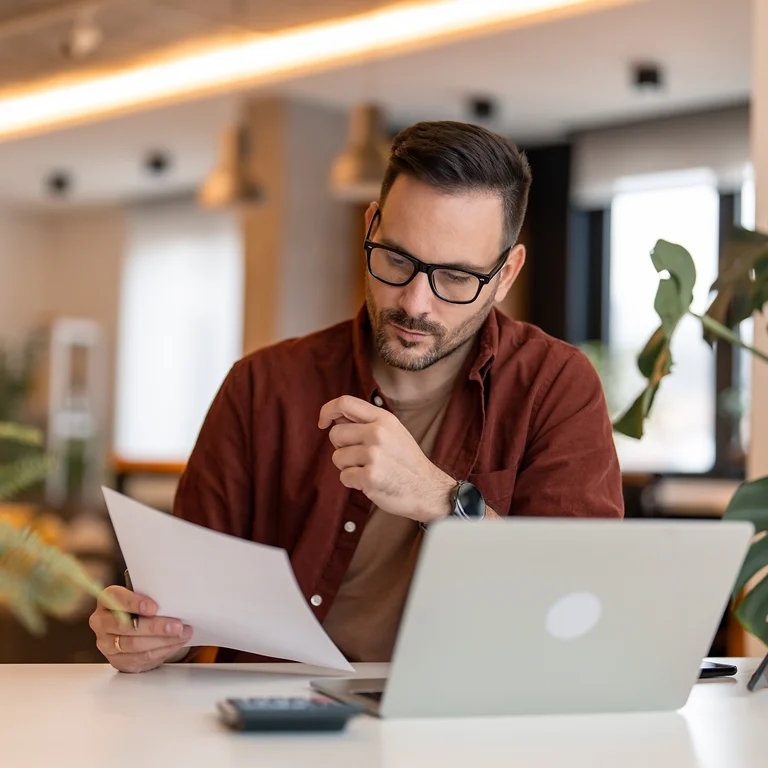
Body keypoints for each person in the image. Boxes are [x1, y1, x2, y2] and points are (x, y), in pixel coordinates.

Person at [90, 120, 623, 673]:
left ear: (506, 273)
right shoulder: (261, 387)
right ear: (371, 226)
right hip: (274, 724)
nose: (416, 303)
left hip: (463, 718)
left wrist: (441, 500)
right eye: (396, 260)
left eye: (457, 278)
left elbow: (579, 605)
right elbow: (182, 600)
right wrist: (150, 634)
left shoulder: (556, 385)